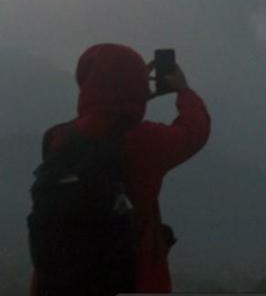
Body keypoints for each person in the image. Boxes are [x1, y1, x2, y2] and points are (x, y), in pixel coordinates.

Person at [29, 43, 211, 294]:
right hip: (132, 282)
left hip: (57, 284)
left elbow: (101, 119)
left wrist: (130, 94)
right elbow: (194, 132)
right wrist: (184, 91)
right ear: (136, 86)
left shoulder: (57, 138)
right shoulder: (144, 142)